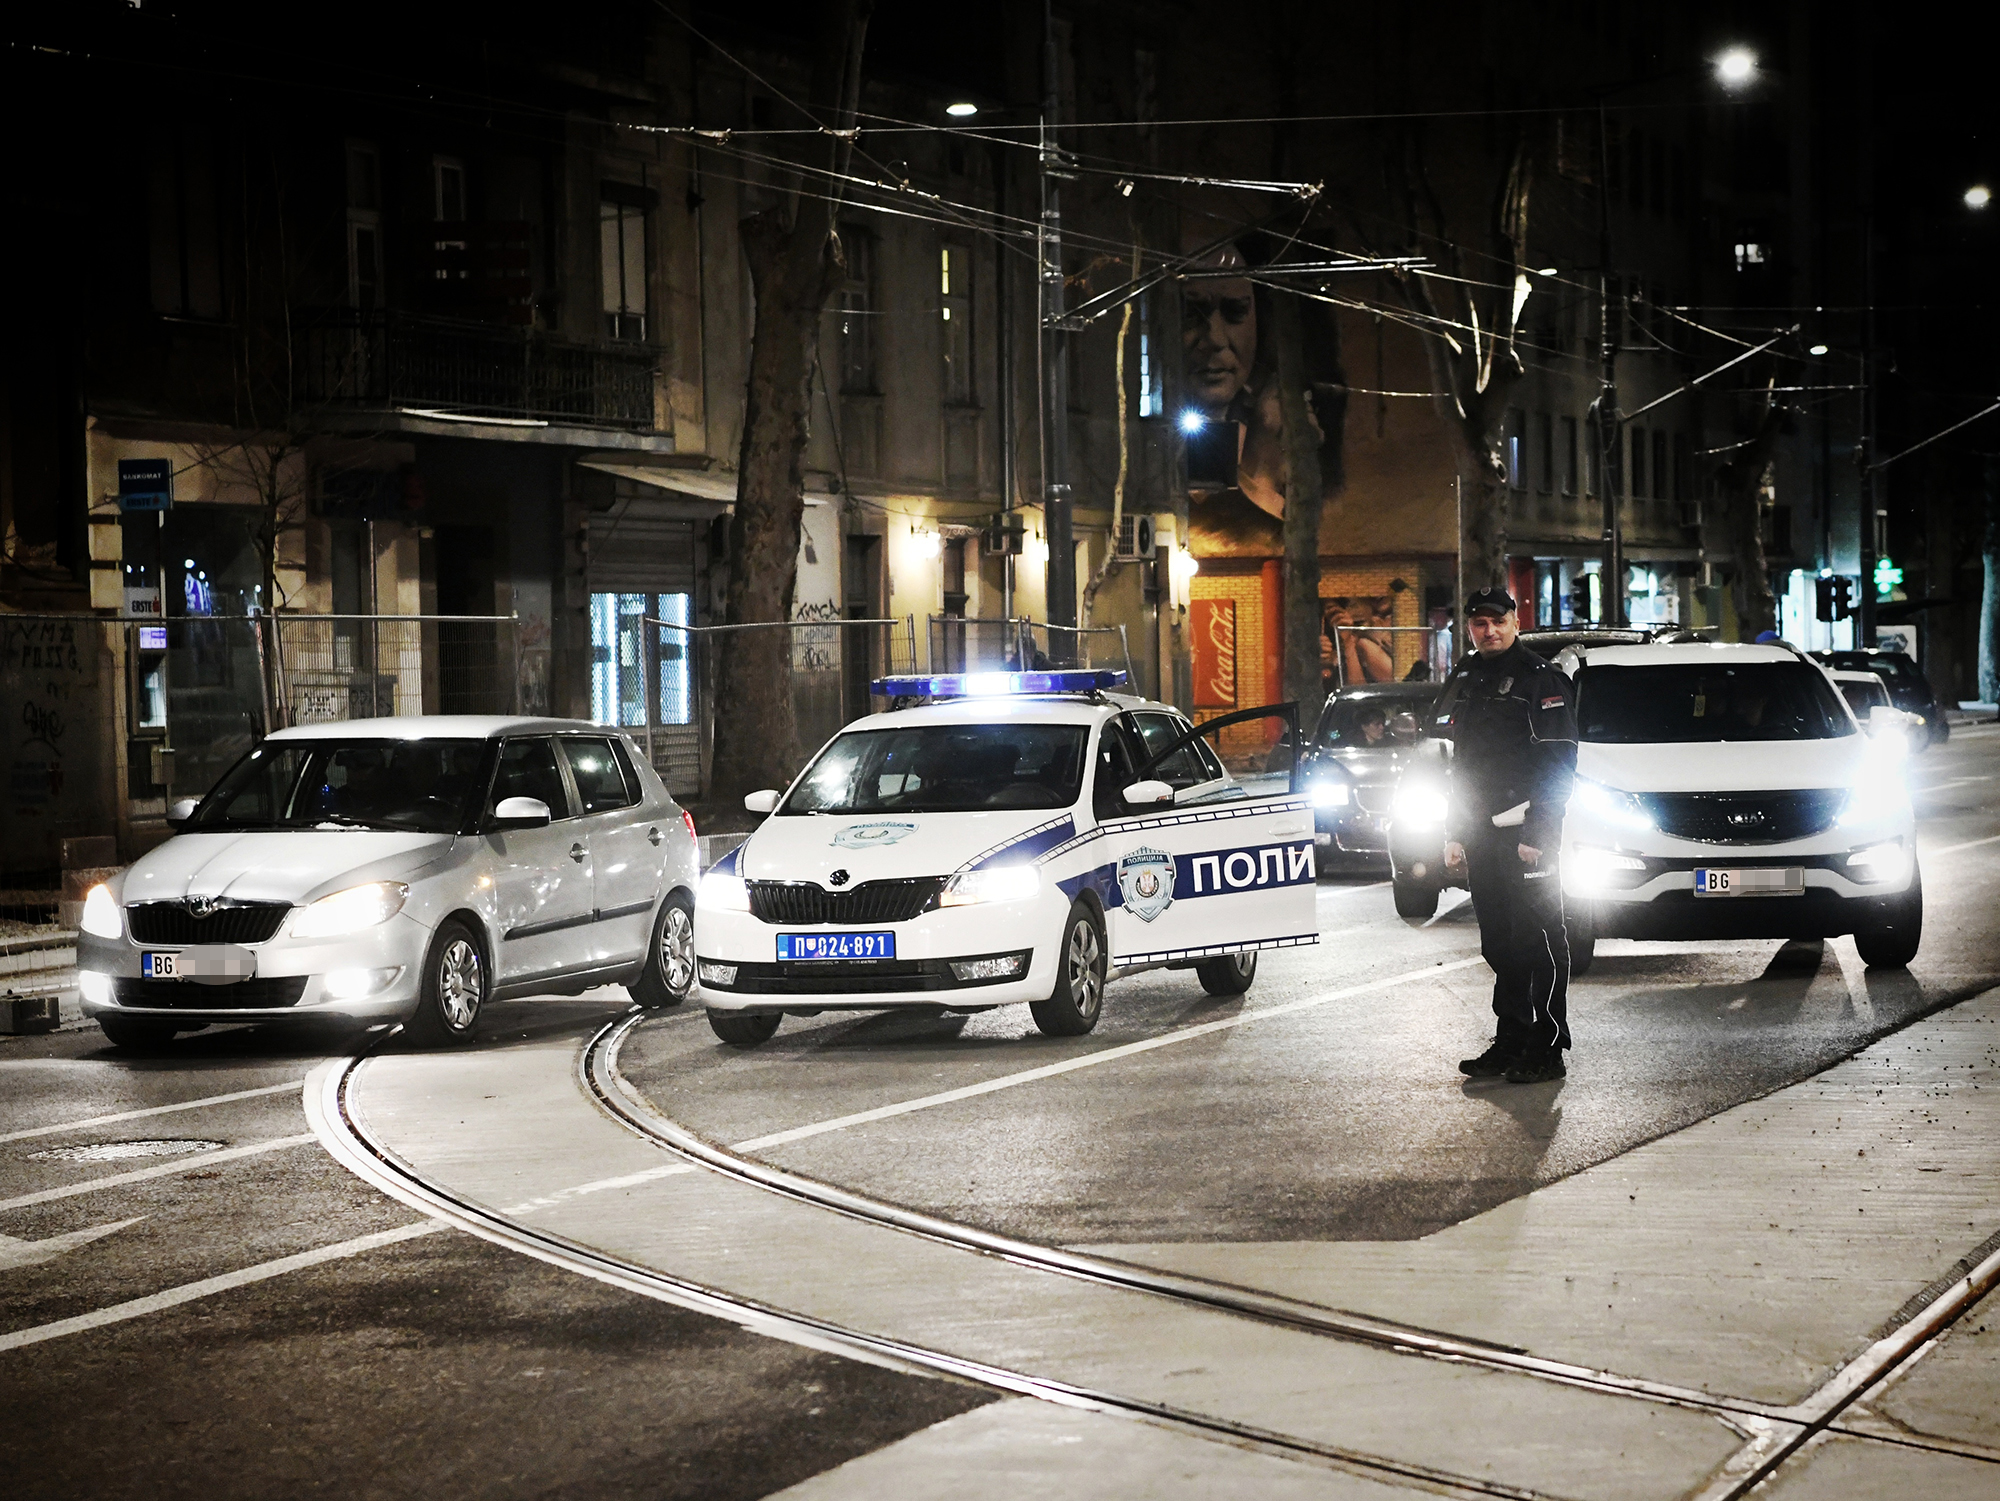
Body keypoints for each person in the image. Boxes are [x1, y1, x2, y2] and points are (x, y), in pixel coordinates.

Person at [1439, 587, 1578, 1084]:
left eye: (1498, 621)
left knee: (1538, 941)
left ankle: (1547, 1047)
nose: (1489, 631)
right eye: (1479, 623)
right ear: (1469, 628)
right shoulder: (1468, 678)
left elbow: (1558, 764)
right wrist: (1456, 830)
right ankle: (1513, 1039)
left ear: (1516, 622)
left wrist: (1538, 832)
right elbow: (1463, 766)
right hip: (1482, 834)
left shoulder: (1541, 679)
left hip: (1526, 835)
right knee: (1499, 943)